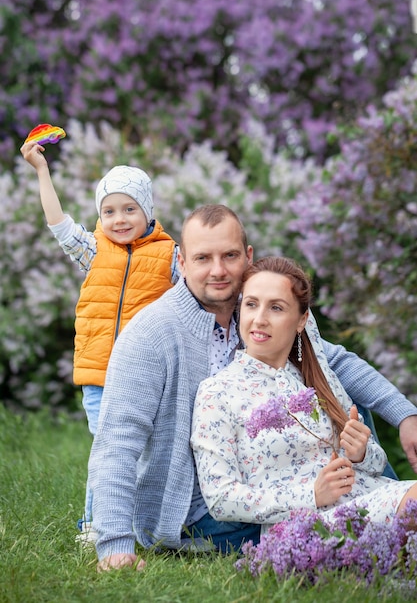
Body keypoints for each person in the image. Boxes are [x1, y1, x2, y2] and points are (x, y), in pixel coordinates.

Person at [88, 204, 417, 571]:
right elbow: (117, 439)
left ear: (248, 256)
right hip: (202, 509)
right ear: (180, 262)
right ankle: (385, 520)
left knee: (342, 393)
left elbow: (334, 362)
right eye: (203, 258)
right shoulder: (151, 335)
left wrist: (405, 415)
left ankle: (387, 503)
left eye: (229, 255)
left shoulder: (265, 311)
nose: (218, 270)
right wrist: (115, 544)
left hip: (288, 474)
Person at [20, 140, 180, 541]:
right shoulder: (94, 250)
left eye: (129, 209)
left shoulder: (169, 256)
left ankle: (144, 521)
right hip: (99, 374)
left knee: (145, 453)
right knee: (109, 448)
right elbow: (58, 224)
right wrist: (42, 171)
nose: (119, 218)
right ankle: (97, 524)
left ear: (148, 211)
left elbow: (201, 288)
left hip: (146, 375)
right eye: (109, 210)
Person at [191, 256, 417, 533]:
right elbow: (220, 498)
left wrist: (360, 454)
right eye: (251, 304)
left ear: (301, 320)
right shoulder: (217, 392)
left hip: (371, 498)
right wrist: (311, 494)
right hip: (305, 528)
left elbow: (375, 464)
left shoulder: (318, 378)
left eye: (276, 307)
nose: (259, 319)